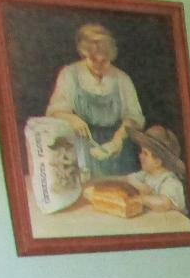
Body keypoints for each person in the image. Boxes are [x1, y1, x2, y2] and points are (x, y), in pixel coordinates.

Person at [46, 23, 144, 178]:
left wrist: (118, 139)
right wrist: (72, 119)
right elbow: (55, 111)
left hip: (118, 149)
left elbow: (134, 117)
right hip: (82, 146)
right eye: (93, 59)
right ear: (84, 54)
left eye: (104, 60)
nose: (99, 65)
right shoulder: (70, 74)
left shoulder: (122, 79)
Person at [123, 124, 188, 213]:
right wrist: (138, 185)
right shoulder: (146, 175)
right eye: (141, 152)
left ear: (158, 161)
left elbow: (164, 203)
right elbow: (128, 179)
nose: (140, 156)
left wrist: (141, 199)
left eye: (145, 153)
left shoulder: (170, 181)